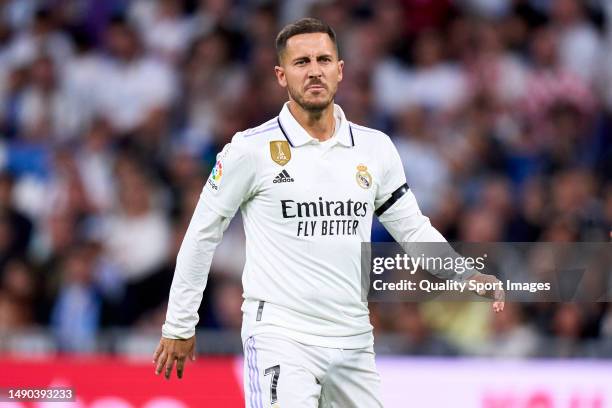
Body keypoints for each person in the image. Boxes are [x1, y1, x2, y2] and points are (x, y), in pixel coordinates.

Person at [153, 18, 504, 407]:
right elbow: (202, 233)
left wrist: (461, 272)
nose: (314, 70)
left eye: (323, 60)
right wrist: (180, 324)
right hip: (281, 336)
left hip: (353, 337)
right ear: (281, 75)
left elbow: (411, 228)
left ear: (340, 71)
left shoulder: (375, 148)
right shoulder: (249, 150)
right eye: (301, 62)